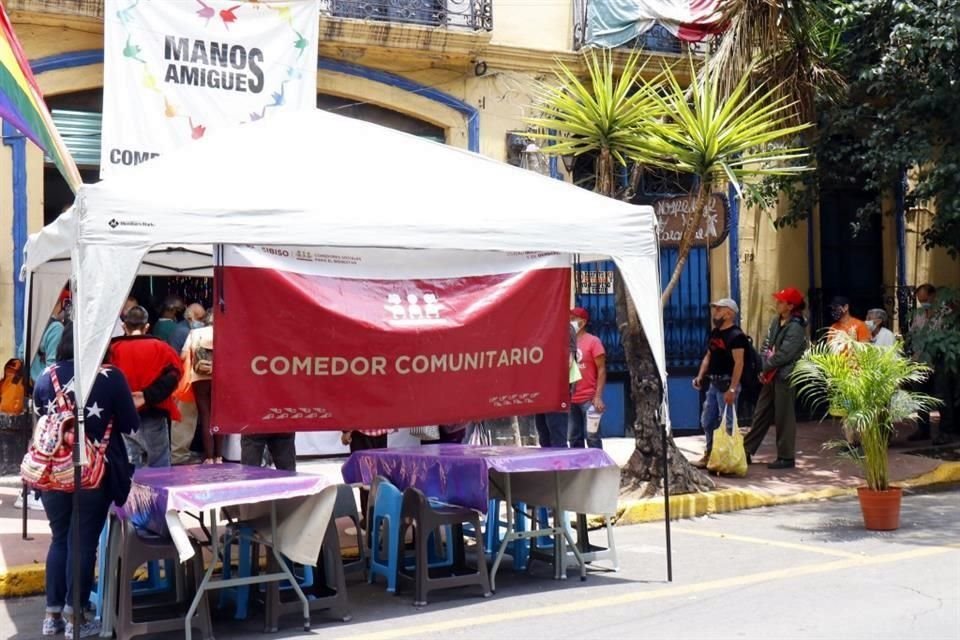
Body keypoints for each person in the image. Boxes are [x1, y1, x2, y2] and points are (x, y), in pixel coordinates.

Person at [35, 322, 139, 638]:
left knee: (60, 538)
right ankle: (75, 618)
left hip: (53, 470)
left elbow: (44, 420)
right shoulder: (109, 377)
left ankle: (52, 616)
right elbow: (131, 425)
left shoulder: (45, 376)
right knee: (83, 541)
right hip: (93, 471)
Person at [107, 305, 183, 468]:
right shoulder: (161, 347)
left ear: (123, 326)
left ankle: (131, 493)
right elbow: (174, 375)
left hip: (122, 414)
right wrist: (148, 396)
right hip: (153, 411)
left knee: (130, 463)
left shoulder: (112, 349)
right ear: (147, 326)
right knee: (159, 463)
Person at [743, 287, 809, 470]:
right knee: (761, 413)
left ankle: (786, 456)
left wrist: (766, 367)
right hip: (771, 374)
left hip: (784, 376)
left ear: (790, 306)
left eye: (781, 301)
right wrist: (764, 366)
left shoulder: (795, 327)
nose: (777, 304)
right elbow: (767, 344)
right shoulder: (776, 321)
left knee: (784, 417)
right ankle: (746, 449)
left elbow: (785, 354)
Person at [692, 298, 747, 468]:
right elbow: (708, 356)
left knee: (728, 424)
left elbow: (739, 363)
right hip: (713, 383)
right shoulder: (715, 333)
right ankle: (709, 454)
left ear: (730, 313)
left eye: (719, 309)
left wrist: (732, 389)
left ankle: (729, 460)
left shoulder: (736, 336)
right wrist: (700, 376)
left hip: (727, 384)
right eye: (715, 309)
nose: (715, 313)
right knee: (707, 421)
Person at [184, 310, 225, 464]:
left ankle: (208, 456)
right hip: (221, 377)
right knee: (219, 415)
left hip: (200, 377)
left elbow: (183, 354)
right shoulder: (227, 331)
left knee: (205, 415)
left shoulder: (195, 333)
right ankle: (219, 456)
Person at [535, 320, 578, 448]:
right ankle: (548, 466)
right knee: (544, 434)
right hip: (540, 389)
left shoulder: (565, 328)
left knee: (557, 435)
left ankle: (561, 466)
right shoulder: (539, 327)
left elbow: (568, 361)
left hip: (557, 391)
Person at [569, 307, 606, 449]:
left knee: (593, 438)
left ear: (582, 322)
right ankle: (578, 469)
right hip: (571, 399)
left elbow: (602, 369)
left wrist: (598, 397)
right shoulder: (565, 342)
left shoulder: (593, 342)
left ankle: (597, 469)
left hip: (589, 399)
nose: (569, 323)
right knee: (573, 438)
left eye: (573, 320)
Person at [31, 288, 70, 383]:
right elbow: (52, 365)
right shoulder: (57, 327)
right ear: (59, 304)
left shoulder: (33, 322)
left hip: (29, 382)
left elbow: (21, 352)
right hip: (45, 382)